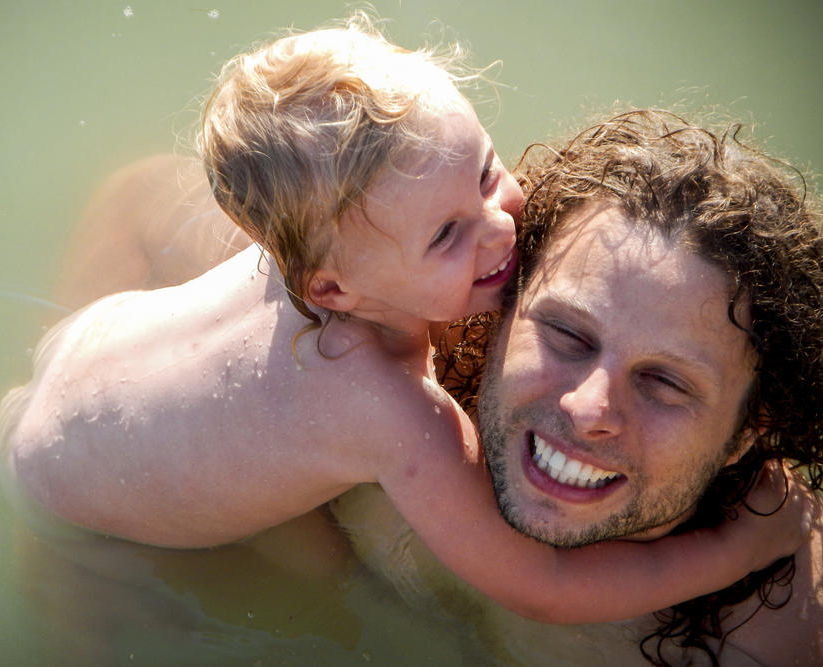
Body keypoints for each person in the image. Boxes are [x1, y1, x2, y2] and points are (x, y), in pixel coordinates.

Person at [0, 17, 807, 627]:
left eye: (486, 175)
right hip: (70, 498)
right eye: (447, 235)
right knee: (322, 573)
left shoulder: (313, 251)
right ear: (335, 287)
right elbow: (544, 587)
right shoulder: (390, 410)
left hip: (83, 358)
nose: (498, 227)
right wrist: (737, 547)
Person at [334, 109, 823, 665]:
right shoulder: (379, 360)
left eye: (664, 381)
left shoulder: (769, 631)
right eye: (567, 333)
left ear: (748, 432)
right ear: (503, 308)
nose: (589, 407)